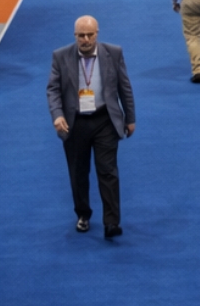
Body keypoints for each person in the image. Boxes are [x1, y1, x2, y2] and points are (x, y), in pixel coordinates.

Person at [47, 15, 135, 239]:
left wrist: (130, 118)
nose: (85, 39)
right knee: (78, 173)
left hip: (105, 119)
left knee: (108, 172)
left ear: (97, 33)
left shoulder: (113, 53)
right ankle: (83, 214)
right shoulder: (60, 56)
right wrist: (57, 115)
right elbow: (53, 89)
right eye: (81, 35)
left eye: (90, 35)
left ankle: (111, 222)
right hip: (74, 123)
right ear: (74, 35)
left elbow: (125, 86)